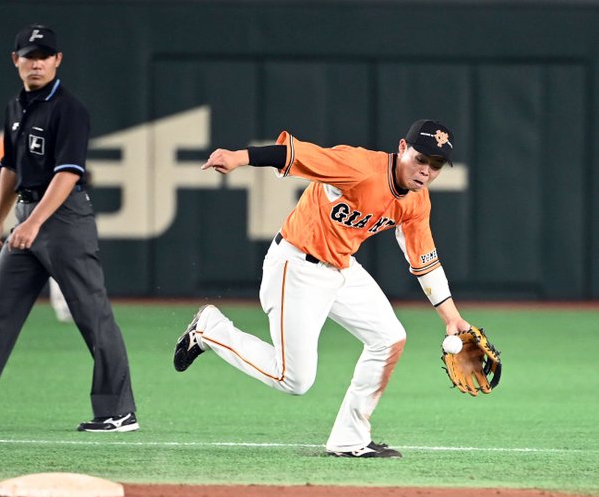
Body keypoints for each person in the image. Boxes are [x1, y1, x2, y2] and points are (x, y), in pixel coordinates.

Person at [174, 120, 470, 458]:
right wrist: (239, 157)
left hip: (342, 267)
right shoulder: (359, 166)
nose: (426, 171)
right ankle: (210, 329)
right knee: (294, 380)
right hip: (296, 265)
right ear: (402, 148)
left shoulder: (417, 202)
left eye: (435, 165)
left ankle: (349, 439)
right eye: (420, 159)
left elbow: (425, 261)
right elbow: (295, 155)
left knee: (389, 338)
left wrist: (452, 318)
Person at [0, 24, 138, 432]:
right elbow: (10, 168)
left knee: (91, 314)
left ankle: (118, 410)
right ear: (15, 60)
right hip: (26, 217)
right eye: (29, 56)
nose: (36, 63)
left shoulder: (69, 109)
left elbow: (68, 173)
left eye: (44, 56)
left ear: (57, 60)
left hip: (64, 219)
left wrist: (35, 223)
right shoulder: (16, 107)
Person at [0, 135, 73, 323]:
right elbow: (1, 166)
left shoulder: (50, 131)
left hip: (44, 200)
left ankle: (64, 303)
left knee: (55, 252)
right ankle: (63, 303)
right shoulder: (16, 131)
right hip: (30, 200)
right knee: (53, 252)